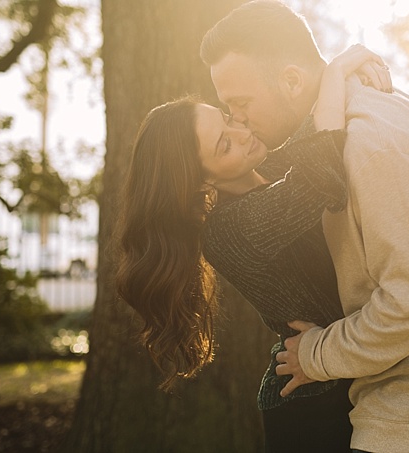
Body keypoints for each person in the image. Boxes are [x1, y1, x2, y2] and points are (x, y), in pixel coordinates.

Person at [200, 1, 409, 452]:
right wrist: (336, 72)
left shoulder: (370, 145)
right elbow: (304, 172)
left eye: (239, 105)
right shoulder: (362, 118)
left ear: (292, 80)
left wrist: (317, 353)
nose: (239, 120)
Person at [115, 45, 392, 452]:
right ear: (201, 184)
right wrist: (336, 72)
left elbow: (313, 123)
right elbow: (324, 176)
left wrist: (347, 76)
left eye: (228, 119)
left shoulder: (272, 170)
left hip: (342, 373)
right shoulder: (229, 231)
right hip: (308, 403)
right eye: (224, 146)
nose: (243, 134)